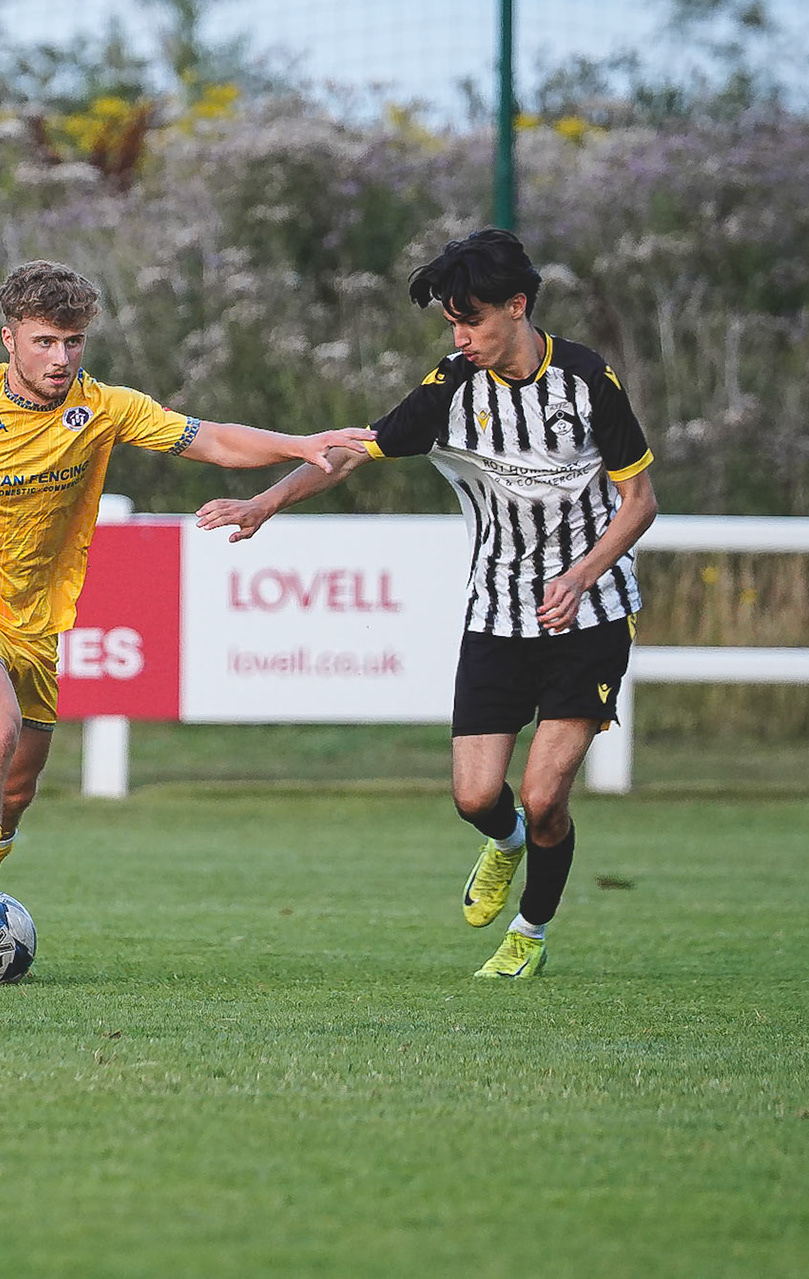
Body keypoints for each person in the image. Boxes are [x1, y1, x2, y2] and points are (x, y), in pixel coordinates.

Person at [0, 259, 372, 935]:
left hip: (35, 625)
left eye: (73, 341)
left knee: (18, 789)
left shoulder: (105, 409)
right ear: (9, 339)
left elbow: (211, 438)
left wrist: (298, 444)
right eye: (45, 341)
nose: (61, 358)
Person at [196, 229, 658, 978]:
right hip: (497, 614)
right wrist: (265, 503)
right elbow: (351, 451)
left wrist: (581, 575)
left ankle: (530, 933)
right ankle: (505, 841)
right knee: (476, 797)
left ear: (517, 306)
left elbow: (639, 502)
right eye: (451, 323)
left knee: (545, 797)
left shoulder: (586, 381)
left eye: (472, 320)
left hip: (592, 613)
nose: (460, 337)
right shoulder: (452, 389)